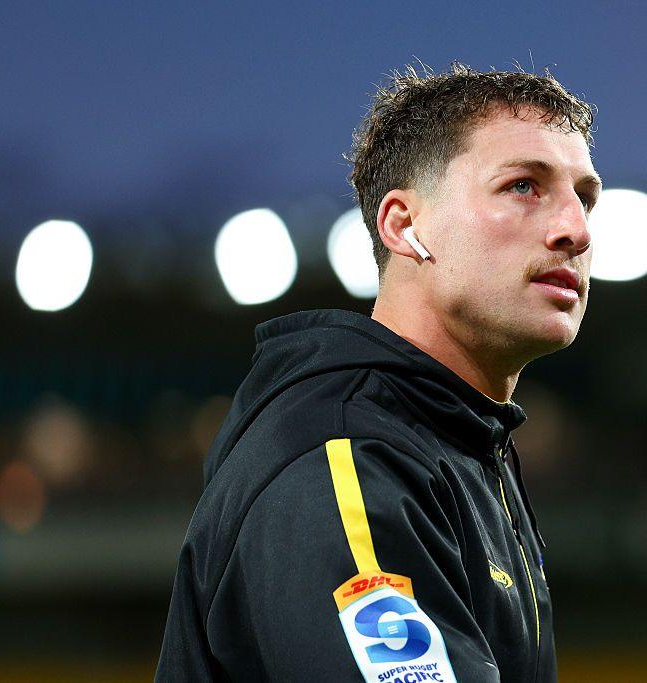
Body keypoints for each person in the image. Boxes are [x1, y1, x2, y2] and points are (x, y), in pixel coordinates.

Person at [156, 62, 601, 683]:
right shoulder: (348, 462)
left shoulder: (452, 445)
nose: (575, 231)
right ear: (404, 225)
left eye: (584, 198)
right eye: (524, 186)